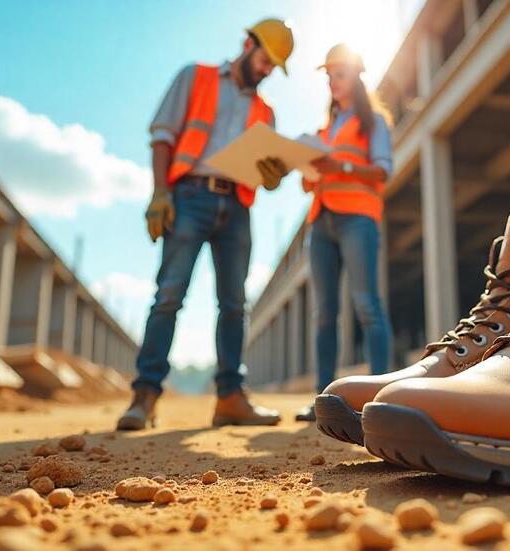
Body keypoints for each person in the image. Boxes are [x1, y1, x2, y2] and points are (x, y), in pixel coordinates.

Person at [117, 19, 294, 430]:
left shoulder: (265, 110)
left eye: (274, 67)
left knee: (234, 304)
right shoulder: (194, 77)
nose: (268, 71)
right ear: (248, 44)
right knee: (169, 295)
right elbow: (163, 135)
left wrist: (273, 174)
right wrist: (160, 193)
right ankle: (144, 396)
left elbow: (264, 169)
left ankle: (230, 398)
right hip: (190, 197)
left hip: (237, 206)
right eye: (266, 60)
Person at [295, 44, 394, 422]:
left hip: (357, 219)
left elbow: (383, 170)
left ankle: (382, 397)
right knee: (324, 314)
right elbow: (312, 182)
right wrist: (307, 170)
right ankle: (323, 401)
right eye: (328, 75)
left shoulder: (373, 123)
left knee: (367, 304)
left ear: (356, 76)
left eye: (339, 73)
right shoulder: (325, 128)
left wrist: (342, 167)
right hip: (321, 222)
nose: (332, 81)